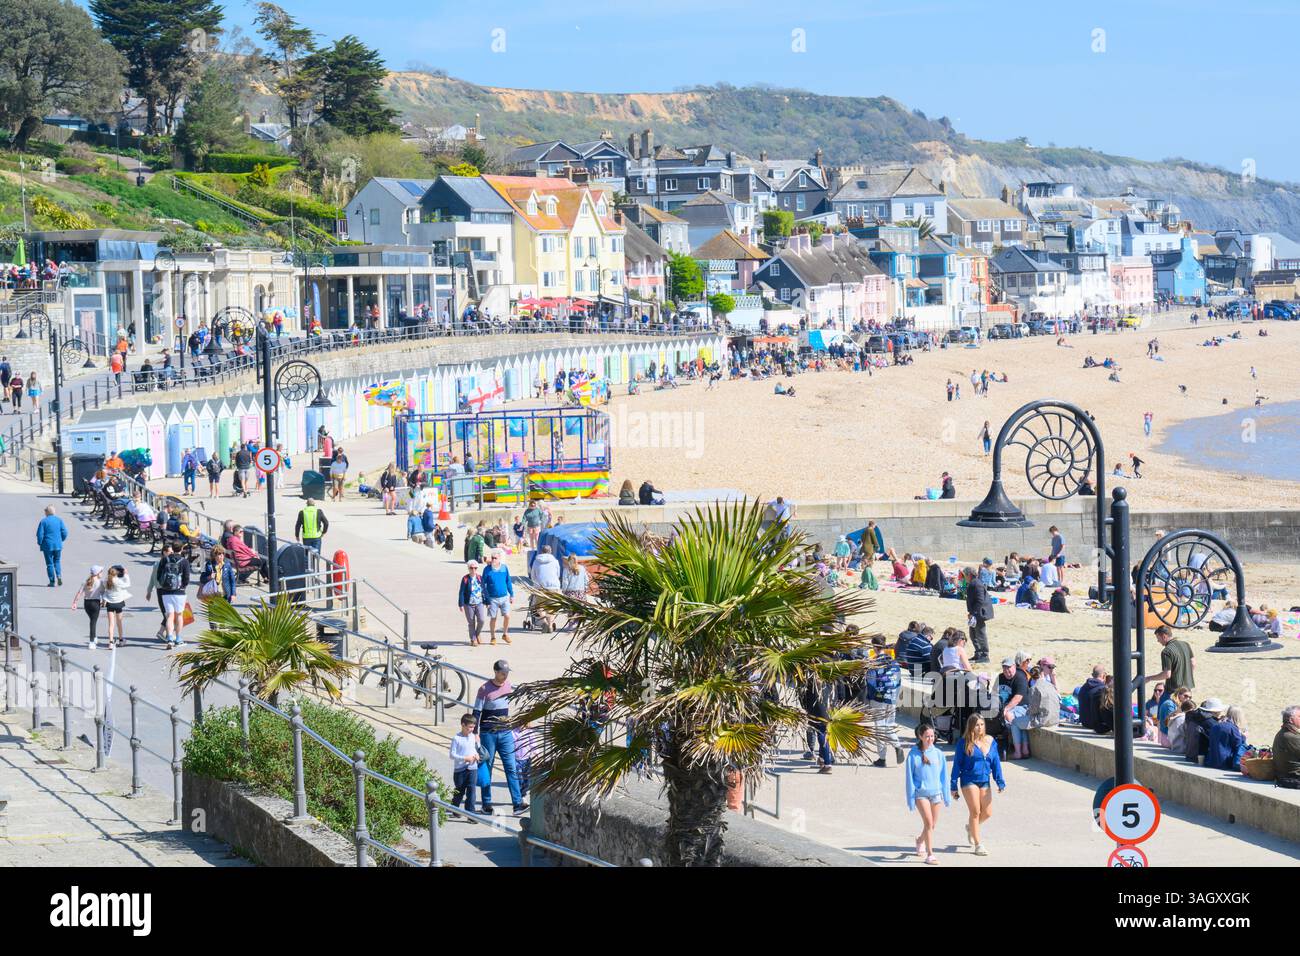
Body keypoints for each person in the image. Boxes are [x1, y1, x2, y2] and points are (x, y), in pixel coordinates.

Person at [472, 660, 528, 815]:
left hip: (505, 733)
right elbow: (476, 712)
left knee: (511, 767)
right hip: (488, 733)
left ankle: (517, 804)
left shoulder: (508, 686)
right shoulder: (484, 689)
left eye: (507, 673)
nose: (505, 675)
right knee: (487, 767)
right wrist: (475, 734)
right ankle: (486, 804)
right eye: (503, 673)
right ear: (496, 672)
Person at [950, 714, 1004, 857]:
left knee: (987, 813)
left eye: (982, 724)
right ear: (971, 726)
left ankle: (971, 828)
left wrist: (1000, 781)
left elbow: (996, 763)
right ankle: (978, 844)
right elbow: (957, 764)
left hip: (984, 780)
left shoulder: (991, 741)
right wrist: (953, 785)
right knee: (975, 812)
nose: (980, 728)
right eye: (977, 725)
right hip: (969, 780)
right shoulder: (964, 742)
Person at [904, 722, 949, 865]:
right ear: (920, 737)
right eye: (927, 736)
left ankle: (920, 840)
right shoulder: (913, 755)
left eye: (932, 736)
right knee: (929, 823)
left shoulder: (938, 754)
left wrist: (946, 796)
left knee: (932, 825)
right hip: (921, 794)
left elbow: (943, 776)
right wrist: (911, 799)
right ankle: (930, 854)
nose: (930, 739)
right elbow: (909, 779)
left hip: (936, 793)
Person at [864, 636, 905, 767]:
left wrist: (869, 698)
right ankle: (896, 745)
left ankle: (883, 757)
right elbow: (899, 681)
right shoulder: (894, 663)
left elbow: (870, 682)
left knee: (880, 727)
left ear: (874, 647)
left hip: (878, 698)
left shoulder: (873, 663)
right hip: (892, 697)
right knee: (889, 725)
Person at [1146, 624, 1194, 707]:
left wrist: (1149, 678)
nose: (1158, 641)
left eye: (1158, 638)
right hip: (1187, 691)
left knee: (1164, 715)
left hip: (1173, 692)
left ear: (1164, 636)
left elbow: (1167, 674)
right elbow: (1193, 664)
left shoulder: (1166, 651)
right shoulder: (1186, 644)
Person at [154, 544, 191, 647]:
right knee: (179, 615)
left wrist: (164, 585)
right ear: (182, 549)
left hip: (166, 592)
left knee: (169, 616)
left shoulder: (164, 560)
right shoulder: (184, 561)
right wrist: (182, 586)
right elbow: (187, 578)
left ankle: (169, 638)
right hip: (179, 592)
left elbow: (158, 575)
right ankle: (178, 638)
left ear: (172, 549)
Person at [449, 713, 481, 817]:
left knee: (471, 791)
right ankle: (455, 808)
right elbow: (452, 755)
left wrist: (476, 755)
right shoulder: (456, 738)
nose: (472, 729)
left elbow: (475, 749)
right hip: (460, 770)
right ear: (463, 725)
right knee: (459, 792)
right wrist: (464, 758)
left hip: (472, 768)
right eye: (470, 727)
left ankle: (471, 814)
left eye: (473, 727)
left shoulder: (473, 737)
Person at [800, 680, 834, 774]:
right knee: (822, 733)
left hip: (817, 711)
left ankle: (827, 764)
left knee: (821, 735)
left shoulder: (810, 682)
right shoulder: (828, 681)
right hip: (827, 709)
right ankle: (822, 759)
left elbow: (803, 697)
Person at [481, 550, 514, 645]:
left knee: (507, 616)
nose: (493, 560)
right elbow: (483, 585)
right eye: (492, 558)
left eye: (495, 558)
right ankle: (493, 637)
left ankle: (505, 634)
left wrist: (511, 595)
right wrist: (486, 599)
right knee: (493, 618)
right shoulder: (487, 569)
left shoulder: (504, 568)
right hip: (492, 598)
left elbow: (508, 581)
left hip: (504, 597)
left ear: (499, 559)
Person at [963, 566, 993, 662]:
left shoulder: (976, 584)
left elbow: (980, 600)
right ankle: (978, 653)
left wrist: (973, 613)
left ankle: (985, 655)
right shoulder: (973, 583)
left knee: (980, 633)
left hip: (979, 613)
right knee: (973, 634)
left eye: (965, 575)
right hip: (975, 613)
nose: (964, 578)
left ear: (969, 575)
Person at [1205, 706, 1249, 771]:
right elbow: (1238, 746)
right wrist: (1244, 737)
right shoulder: (1233, 728)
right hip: (1225, 763)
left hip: (1211, 761)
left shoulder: (1216, 725)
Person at [72, 566, 105, 648]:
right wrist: (104, 601)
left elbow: (79, 592)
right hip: (95, 603)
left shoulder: (86, 581)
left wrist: (75, 603)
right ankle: (91, 642)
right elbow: (103, 593)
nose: (102, 573)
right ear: (97, 573)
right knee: (93, 622)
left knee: (92, 620)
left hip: (86, 603)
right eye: (101, 572)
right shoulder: (100, 582)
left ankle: (94, 636)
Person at [36, 504, 68, 587]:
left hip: (47, 545)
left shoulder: (43, 521)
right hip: (58, 545)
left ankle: (52, 581)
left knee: (49, 564)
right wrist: (61, 539)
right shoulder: (59, 520)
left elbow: (40, 534)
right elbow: (64, 532)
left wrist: (40, 542)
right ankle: (59, 575)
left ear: (47, 512)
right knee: (57, 561)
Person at [457, 560, 487, 646]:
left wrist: (487, 602)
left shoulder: (480, 578)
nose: (473, 570)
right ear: (468, 568)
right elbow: (461, 592)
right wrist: (461, 604)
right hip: (468, 603)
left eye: (475, 568)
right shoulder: (465, 579)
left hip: (479, 602)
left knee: (481, 620)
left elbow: (484, 590)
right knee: (471, 622)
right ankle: (473, 639)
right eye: (471, 568)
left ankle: (477, 634)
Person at [1272, 705, 1300, 790]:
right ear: (1291, 720)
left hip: (1285, 777)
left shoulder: (1282, 733)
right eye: (1299, 717)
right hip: (1294, 778)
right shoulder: (1291, 736)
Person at [1078, 664, 1108, 732]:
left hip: (1085, 723)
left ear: (1092, 674)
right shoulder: (1102, 689)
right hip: (1097, 725)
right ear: (1104, 675)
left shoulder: (1083, 688)